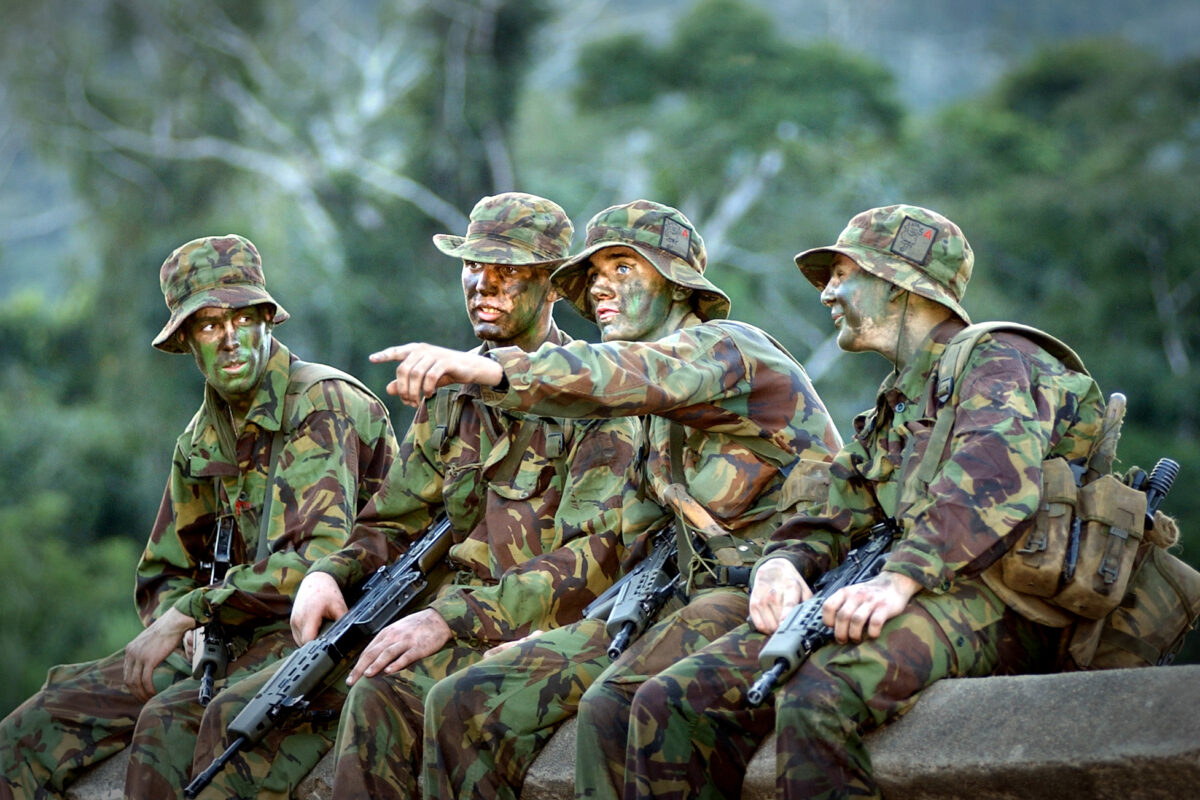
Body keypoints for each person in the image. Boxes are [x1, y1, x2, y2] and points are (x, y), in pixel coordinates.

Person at [619, 204, 1108, 800]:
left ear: (900, 284)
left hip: (1000, 597)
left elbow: (994, 480)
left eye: (841, 275)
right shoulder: (898, 400)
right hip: (911, 590)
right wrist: (783, 564)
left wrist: (899, 579)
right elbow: (834, 503)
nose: (827, 294)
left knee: (818, 697)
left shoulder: (999, 357)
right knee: (670, 701)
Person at [187, 192, 641, 800]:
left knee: (381, 698)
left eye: (509, 270)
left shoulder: (596, 397)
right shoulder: (452, 395)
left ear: (554, 285)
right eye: (472, 266)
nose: (484, 283)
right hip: (431, 615)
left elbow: (593, 559)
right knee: (236, 712)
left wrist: (447, 618)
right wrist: (328, 573)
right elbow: (395, 521)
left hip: (526, 627)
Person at [397, 199, 843, 800]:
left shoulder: (730, 351)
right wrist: (554, 631)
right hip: (673, 597)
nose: (603, 289)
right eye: (595, 277)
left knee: (620, 703)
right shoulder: (649, 416)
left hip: (771, 589)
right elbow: (625, 542)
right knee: (466, 699)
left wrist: (495, 372)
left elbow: (631, 372)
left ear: (679, 285)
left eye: (624, 270)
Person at [0, 234, 397, 800]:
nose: (231, 339)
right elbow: (165, 572)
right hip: (229, 641)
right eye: (210, 325)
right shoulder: (201, 437)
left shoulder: (321, 404)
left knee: (169, 725)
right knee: (44, 717)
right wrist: (184, 626)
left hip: (324, 638)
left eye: (243, 318)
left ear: (267, 321)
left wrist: (189, 613)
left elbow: (315, 563)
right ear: (187, 342)